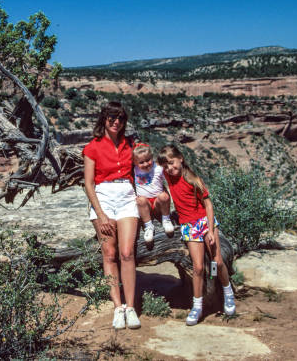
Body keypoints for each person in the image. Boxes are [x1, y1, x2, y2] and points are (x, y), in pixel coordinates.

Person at [156, 144, 236, 325]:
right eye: (166, 165)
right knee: (198, 267)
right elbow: (149, 167)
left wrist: (209, 229)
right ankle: (197, 305)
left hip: (204, 223)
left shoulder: (193, 179)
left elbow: (208, 205)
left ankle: (227, 292)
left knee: (217, 261)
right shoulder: (168, 177)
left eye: (172, 163)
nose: (170, 168)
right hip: (188, 226)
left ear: (181, 158)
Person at [83, 101, 141, 330]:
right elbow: (88, 183)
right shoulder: (92, 147)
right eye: (111, 118)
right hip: (103, 197)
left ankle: (131, 307)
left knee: (127, 253)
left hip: (126, 196)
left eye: (120, 119)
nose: (116, 122)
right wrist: (101, 214)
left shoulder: (131, 145)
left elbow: (147, 166)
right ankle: (117, 307)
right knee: (109, 253)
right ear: (104, 120)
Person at [132, 143, 174, 244]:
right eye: (141, 162)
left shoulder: (158, 169)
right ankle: (148, 226)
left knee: (164, 196)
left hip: (158, 203)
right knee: (140, 200)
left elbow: (169, 181)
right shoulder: (134, 170)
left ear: (152, 157)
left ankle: (166, 219)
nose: (146, 164)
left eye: (148, 160)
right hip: (146, 205)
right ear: (135, 162)